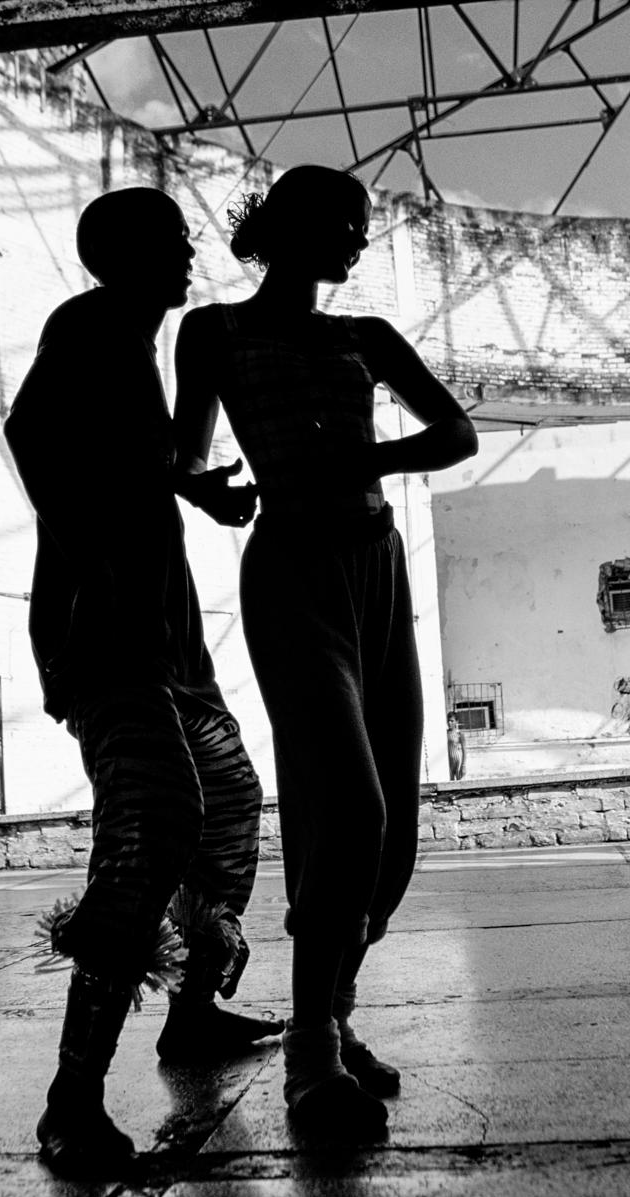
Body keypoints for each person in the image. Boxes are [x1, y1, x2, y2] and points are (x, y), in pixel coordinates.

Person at [173, 164, 479, 1140]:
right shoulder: (213, 332)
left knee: (390, 835)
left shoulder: (366, 339)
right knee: (345, 803)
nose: (356, 240)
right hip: (293, 570)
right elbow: (181, 452)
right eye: (343, 224)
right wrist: (207, 490)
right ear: (291, 228)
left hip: (375, 566)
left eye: (362, 226)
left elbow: (455, 434)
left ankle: (334, 1021)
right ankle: (312, 1054)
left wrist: (368, 460)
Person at [4, 186, 282, 1177]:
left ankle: (192, 1016)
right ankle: (71, 1101)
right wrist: (95, 559)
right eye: (169, 241)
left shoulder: (126, 342)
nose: (188, 252)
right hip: (110, 641)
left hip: (166, 647)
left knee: (230, 801)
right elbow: (34, 434)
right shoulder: (90, 323)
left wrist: (192, 484)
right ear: (118, 256)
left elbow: (136, 448)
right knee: (154, 830)